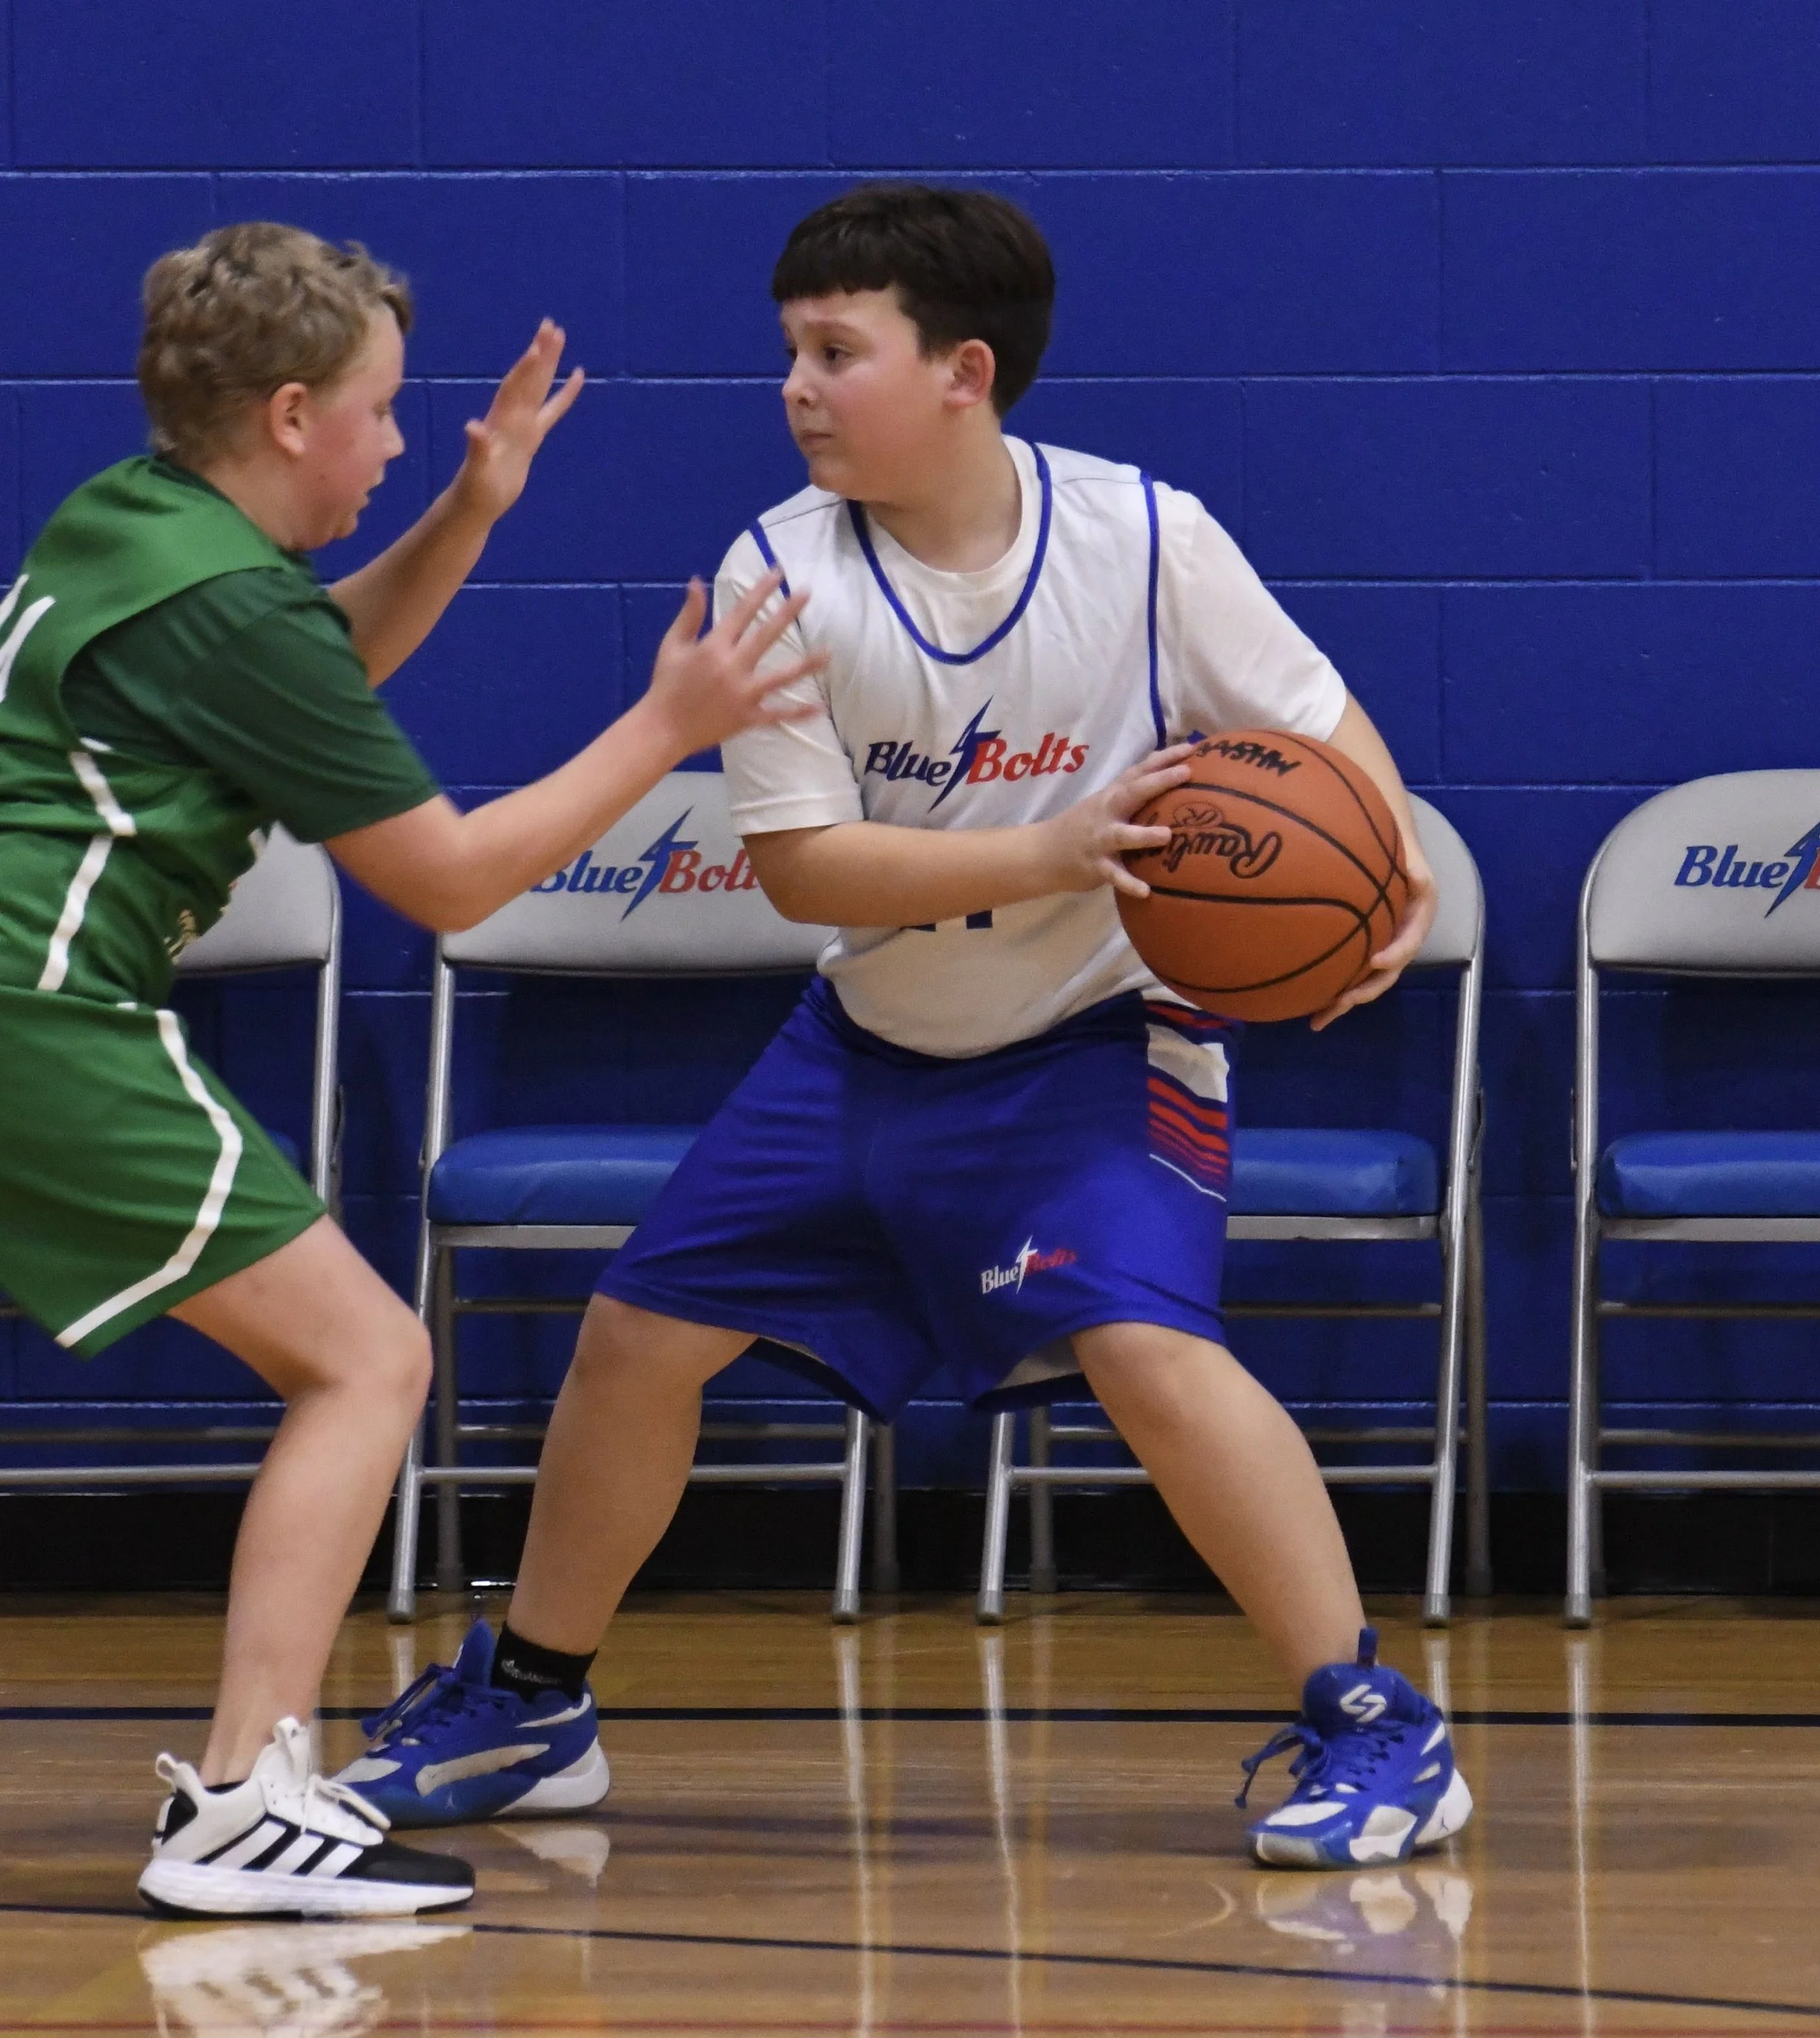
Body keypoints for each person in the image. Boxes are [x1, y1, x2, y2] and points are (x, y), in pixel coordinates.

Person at [340, 184, 1472, 1872]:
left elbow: (1322, 734)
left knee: (1151, 1352)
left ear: (964, 372)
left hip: (1096, 1045)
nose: (794, 386)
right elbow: (801, 872)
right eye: (787, 350)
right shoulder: (778, 570)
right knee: (638, 1334)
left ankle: (1379, 1725)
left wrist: (1374, 887)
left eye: (832, 351)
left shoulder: (1146, 538)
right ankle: (533, 1700)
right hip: (861, 1047)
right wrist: (1050, 847)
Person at [0, 221, 820, 1919]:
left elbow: (315, 662)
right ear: (292, 413)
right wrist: (669, 726)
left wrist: (472, 508)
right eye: (382, 412)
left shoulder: (131, 520)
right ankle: (244, 1794)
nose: (397, 439)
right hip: (39, 1011)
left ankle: (249, 1791)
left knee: (350, 1355)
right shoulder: (228, 603)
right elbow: (449, 877)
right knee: (366, 1358)